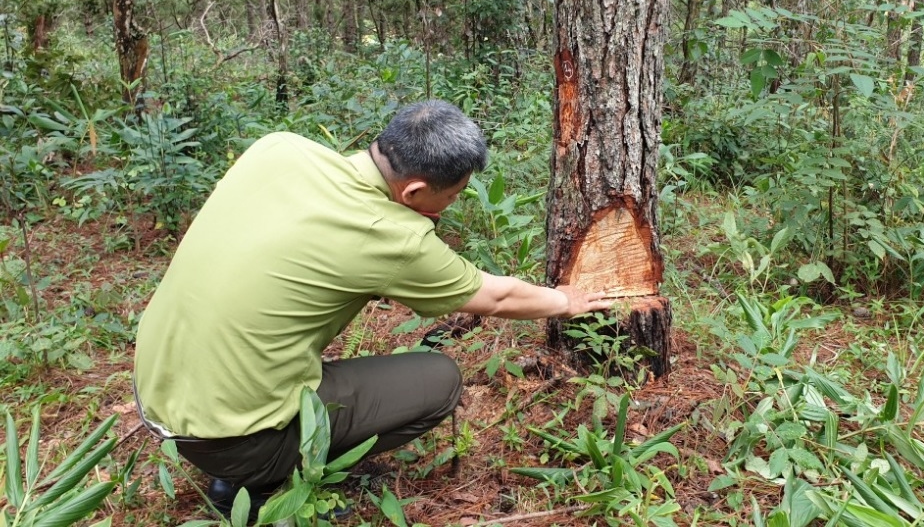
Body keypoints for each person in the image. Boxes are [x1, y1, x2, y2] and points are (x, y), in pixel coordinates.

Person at [132, 100, 609, 513]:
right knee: (439, 381)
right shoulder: (393, 236)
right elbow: (497, 296)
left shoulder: (278, 149)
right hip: (235, 440)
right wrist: (567, 301)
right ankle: (261, 482)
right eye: (454, 194)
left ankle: (244, 459)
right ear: (415, 193)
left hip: (154, 392)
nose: (453, 204)